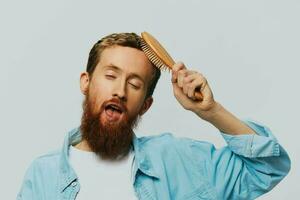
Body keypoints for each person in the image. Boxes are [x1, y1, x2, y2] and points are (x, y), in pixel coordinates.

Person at [17, 33, 291, 200]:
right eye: (111, 76)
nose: (120, 91)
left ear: (146, 105)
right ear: (85, 83)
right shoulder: (44, 174)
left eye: (135, 84)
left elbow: (268, 168)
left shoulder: (176, 161)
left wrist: (211, 111)